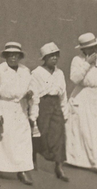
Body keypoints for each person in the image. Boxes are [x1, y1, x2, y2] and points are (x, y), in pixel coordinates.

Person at [66, 32, 97, 177]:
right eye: (90, 47)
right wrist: (87, 64)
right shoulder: (77, 60)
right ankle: (81, 161)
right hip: (83, 97)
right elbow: (75, 78)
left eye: (95, 46)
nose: (94, 49)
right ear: (83, 49)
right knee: (85, 131)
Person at [0, 42, 34, 185]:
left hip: (21, 108)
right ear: (6, 56)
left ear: (20, 56)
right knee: (3, 139)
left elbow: (31, 87)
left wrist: (30, 94)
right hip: (5, 107)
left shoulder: (25, 70)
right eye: (10, 55)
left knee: (22, 140)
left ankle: (22, 171)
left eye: (16, 55)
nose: (13, 58)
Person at [29, 42, 69, 181]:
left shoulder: (60, 73)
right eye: (50, 56)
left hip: (56, 105)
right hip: (42, 105)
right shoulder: (36, 73)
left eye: (56, 55)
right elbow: (34, 95)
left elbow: (63, 94)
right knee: (41, 134)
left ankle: (59, 167)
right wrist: (33, 114)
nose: (54, 58)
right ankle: (33, 158)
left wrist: (65, 110)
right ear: (44, 58)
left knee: (59, 136)